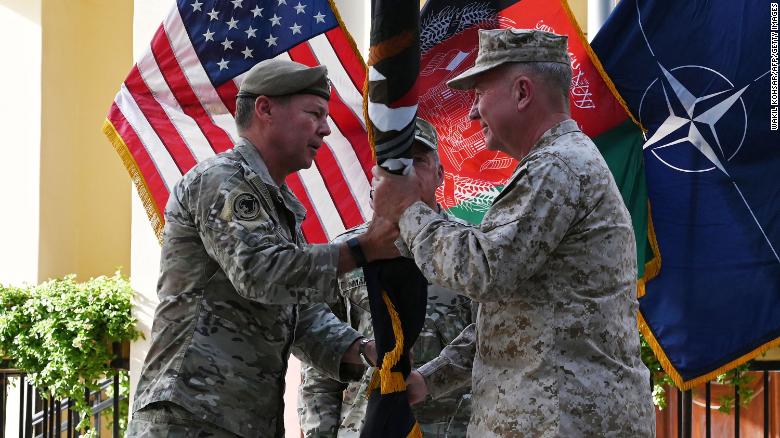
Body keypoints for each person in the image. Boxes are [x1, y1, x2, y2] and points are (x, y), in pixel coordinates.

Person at [370, 29, 656, 437]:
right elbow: (514, 316)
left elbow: (482, 270)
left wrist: (407, 210)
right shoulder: (558, 164)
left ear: (522, 92)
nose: (472, 113)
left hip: (561, 422)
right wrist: (430, 378)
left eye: (479, 94)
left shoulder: (557, 168)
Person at [126, 59, 398, 438]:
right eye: (315, 113)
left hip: (241, 420)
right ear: (265, 109)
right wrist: (362, 249)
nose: (326, 128)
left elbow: (298, 314)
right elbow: (260, 273)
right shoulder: (222, 181)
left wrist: (363, 349)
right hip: (190, 415)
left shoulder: (276, 204)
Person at [297, 118, 474, 437]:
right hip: (367, 426)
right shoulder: (344, 255)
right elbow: (319, 372)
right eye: (394, 164)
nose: (404, 173)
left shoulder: (474, 250)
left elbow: (494, 344)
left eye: (417, 161)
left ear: (440, 175)